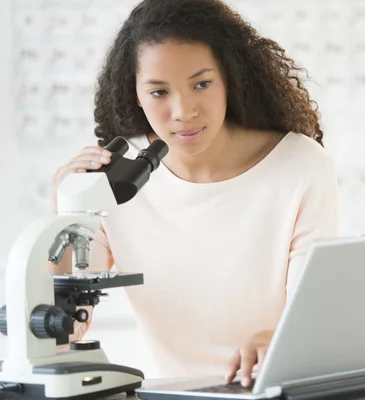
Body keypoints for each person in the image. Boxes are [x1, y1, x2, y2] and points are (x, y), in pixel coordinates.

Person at [49, 0, 339, 388]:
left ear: (229, 78)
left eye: (201, 84)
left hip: (280, 389)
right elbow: (65, 330)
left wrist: (274, 341)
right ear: (135, 93)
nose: (183, 111)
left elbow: (315, 318)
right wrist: (65, 213)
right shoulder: (111, 183)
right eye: (158, 92)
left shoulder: (300, 165)